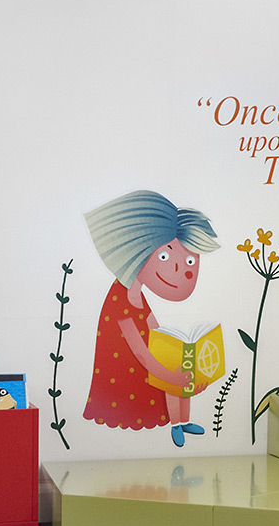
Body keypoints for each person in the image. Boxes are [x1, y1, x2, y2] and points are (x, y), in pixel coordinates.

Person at [83, 190, 218, 447]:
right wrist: (170, 374)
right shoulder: (120, 300)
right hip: (129, 375)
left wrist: (187, 361)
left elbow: (156, 330)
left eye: (190, 260)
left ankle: (183, 420)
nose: (179, 270)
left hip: (149, 362)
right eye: (165, 256)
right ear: (141, 252)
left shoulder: (138, 296)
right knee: (173, 377)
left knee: (180, 370)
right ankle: (176, 424)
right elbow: (140, 353)